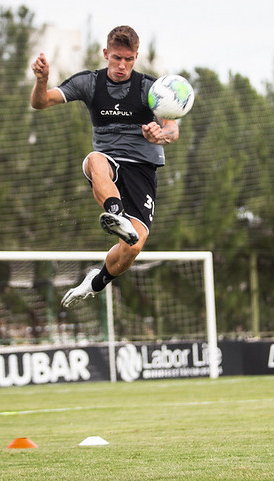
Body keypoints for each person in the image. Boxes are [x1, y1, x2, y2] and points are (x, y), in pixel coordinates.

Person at [30, 25, 179, 308]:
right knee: (94, 160)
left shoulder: (150, 88)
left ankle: (95, 282)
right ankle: (115, 213)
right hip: (108, 162)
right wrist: (42, 80)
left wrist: (161, 134)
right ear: (105, 53)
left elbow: (173, 131)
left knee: (133, 246)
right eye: (116, 58)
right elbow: (41, 102)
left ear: (136, 57)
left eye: (129, 59)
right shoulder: (89, 83)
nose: (122, 65)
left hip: (142, 169)